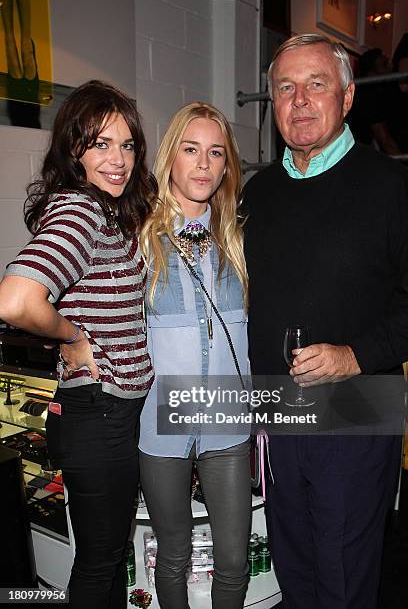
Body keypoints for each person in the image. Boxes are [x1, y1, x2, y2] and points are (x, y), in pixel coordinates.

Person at [243, 34, 408, 609]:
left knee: (342, 577)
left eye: (317, 84)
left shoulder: (392, 186)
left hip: (358, 411)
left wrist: (354, 356)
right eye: (286, 88)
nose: (301, 100)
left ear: (349, 97)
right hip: (279, 415)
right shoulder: (257, 195)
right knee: (294, 567)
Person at [0, 80, 155, 609]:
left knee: (106, 558)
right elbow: (16, 300)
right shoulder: (81, 211)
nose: (118, 159)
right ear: (74, 150)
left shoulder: (106, 212)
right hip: (101, 414)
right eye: (100, 144)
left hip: (105, 414)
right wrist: (72, 335)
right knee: (98, 564)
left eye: (127, 144)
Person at [138, 102, 251, 609]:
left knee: (233, 560)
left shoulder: (240, 242)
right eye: (191, 150)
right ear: (171, 159)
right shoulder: (138, 239)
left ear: (226, 167)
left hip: (227, 418)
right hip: (161, 422)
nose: (203, 164)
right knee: (174, 557)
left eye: (215, 153)